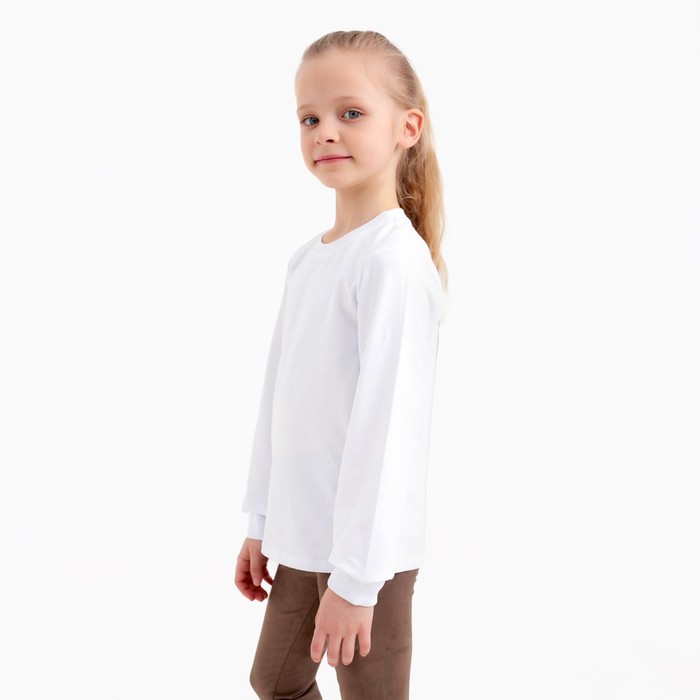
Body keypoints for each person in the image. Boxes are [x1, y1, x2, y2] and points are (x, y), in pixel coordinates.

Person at [235, 29, 448, 699]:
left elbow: (387, 432)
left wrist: (356, 583)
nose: (325, 131)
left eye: (351, 112)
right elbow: (280, 402)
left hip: (367, 556)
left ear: (406, 128)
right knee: (276, 679)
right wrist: (261, 522)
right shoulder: (309, 260)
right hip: (304, 537)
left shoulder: (392, 262)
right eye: (310, 118)